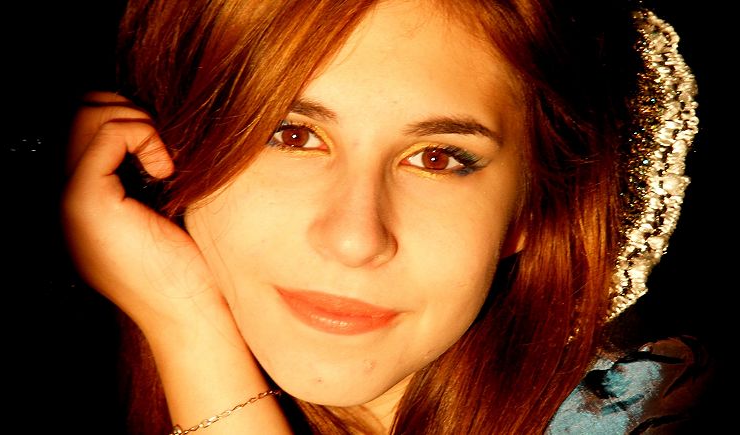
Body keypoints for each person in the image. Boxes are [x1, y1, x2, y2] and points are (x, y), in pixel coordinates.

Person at [61, 0, 706, 433]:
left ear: (529, 210)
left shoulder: (641, 412)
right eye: (291, 136)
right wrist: (181, 310)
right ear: (165, 152)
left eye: (436, 157)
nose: (354, 238)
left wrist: (189, 334)